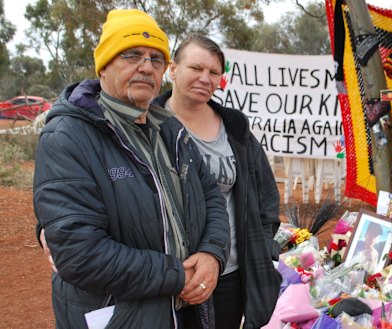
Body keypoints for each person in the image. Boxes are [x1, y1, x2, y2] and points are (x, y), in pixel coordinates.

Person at [33, 9, 230, 329]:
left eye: (156, 59)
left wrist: (211, 254)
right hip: (118, 317)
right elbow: (79, 253)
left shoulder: (170, 130)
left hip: (185, 312)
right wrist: (177, 275)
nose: (146, 66)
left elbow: (210, 195)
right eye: (132, 54)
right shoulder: (68, 136)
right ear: (105, 66)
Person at [152, 34, 282, 329]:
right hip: (168, 278)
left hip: (228, 275)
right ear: (173, 68)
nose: (205, 78)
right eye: (196, 68)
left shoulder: (235, 127)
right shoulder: (148, 125)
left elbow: (264, 194)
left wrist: (264, 246)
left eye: (213, 72)